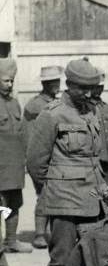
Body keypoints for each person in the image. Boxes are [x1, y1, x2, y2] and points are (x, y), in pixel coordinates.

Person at [27, 58, 107, 266]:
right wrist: (54, 191)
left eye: (92, 89)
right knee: (61, 262)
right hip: (64, 202)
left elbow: (94, 158)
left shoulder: (92, 111)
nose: (89, 94)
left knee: (92, 260)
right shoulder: (52, 115)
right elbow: (36, 163)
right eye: (83, 89)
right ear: (69, 85)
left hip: (93, 199)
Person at [22, 65, 63, 250]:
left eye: (57, 81)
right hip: (40, 157)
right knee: (44, 193)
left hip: (55, 156)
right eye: (52, 82)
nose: (56, 84)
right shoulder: (35, 105)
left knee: (53, 193)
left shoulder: (57, 103)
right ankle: (39, 234)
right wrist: (33, 159)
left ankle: (50, 232)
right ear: (44, 83)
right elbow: (28, 135)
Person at [0, 58, 31, 254]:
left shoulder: (15, 104)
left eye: (11, 81)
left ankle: (11, 241)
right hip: (0, 167)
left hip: (15, 166)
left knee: (14, 204)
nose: (9, 84)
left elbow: (23, 133)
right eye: (5, 80)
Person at [91, 80, 108, 183]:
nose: (98, 90)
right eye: (95, 87)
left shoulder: (107, 107)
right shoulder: (86, 107)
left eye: (101, 86)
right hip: (96, 160)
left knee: (107, 191)